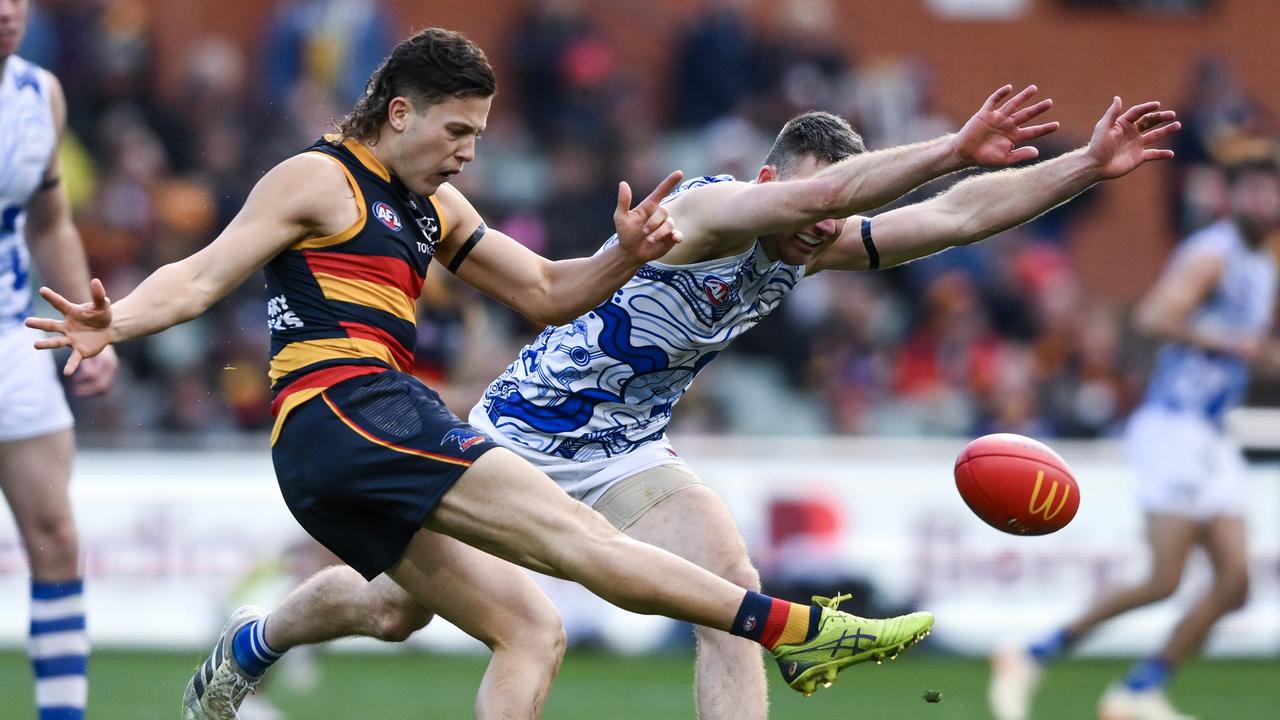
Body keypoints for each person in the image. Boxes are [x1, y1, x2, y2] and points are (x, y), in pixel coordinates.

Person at [175, 74, 1184, 719]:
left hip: (632, 449)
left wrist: (1084, 168)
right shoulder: (708, 210)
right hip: (525, 429)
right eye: (811, 211)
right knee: (397, 612)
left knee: (728, 591)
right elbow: (845, 197)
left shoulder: (816, 245)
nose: (819, 240)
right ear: (767, 181)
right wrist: (948, 144)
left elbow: (956, 216)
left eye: (834, 226)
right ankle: (253, 644)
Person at [27, 28, 944, 720]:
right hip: (351, 410)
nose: (470, 150)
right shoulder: (317, 178)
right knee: (589, 549)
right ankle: (797, 627)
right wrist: (118, 321)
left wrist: (625, 254)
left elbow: (548, 291)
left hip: (345, 447)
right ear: (400, 112)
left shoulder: (432, 202)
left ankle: (251, 645)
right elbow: (199, 272)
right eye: (458, 130)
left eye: (479, 133)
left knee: (504, 627)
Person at [990, 148, 1279, 720]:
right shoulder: (1212, 254)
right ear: (1231, 196)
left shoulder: (1263, 266)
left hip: (1212, 433)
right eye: (1255, 191)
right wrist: (1234, 344)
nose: (1265, 203)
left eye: (1272, 193)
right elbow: (1151, 319)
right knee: (1165, 578)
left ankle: (1137, 691)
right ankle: (1031, 652)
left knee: (1235, 584)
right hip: (1173, 425)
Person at [1, 1, 119, 718]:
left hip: (12, 339)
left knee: (54, 534)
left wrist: (84, 321)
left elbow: (48, 219)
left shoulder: (39, 93)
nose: (8, 10)